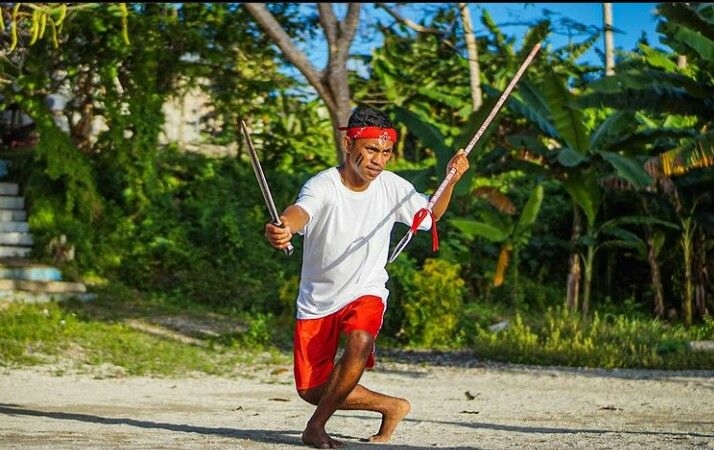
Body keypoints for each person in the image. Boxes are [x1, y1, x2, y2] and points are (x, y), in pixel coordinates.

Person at [265, 105, 469, 448]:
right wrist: (283, 228)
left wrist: (451, 180)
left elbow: (430, 213)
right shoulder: (323, 185)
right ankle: (391, 406)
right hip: (318, 301)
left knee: (361, 339)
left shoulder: (392, 187)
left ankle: (316, 427)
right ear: (349, 145)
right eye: (372, 150)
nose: (379, 160)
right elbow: (299, 212)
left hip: (366, 290)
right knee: (313, 390)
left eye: (386, 152)